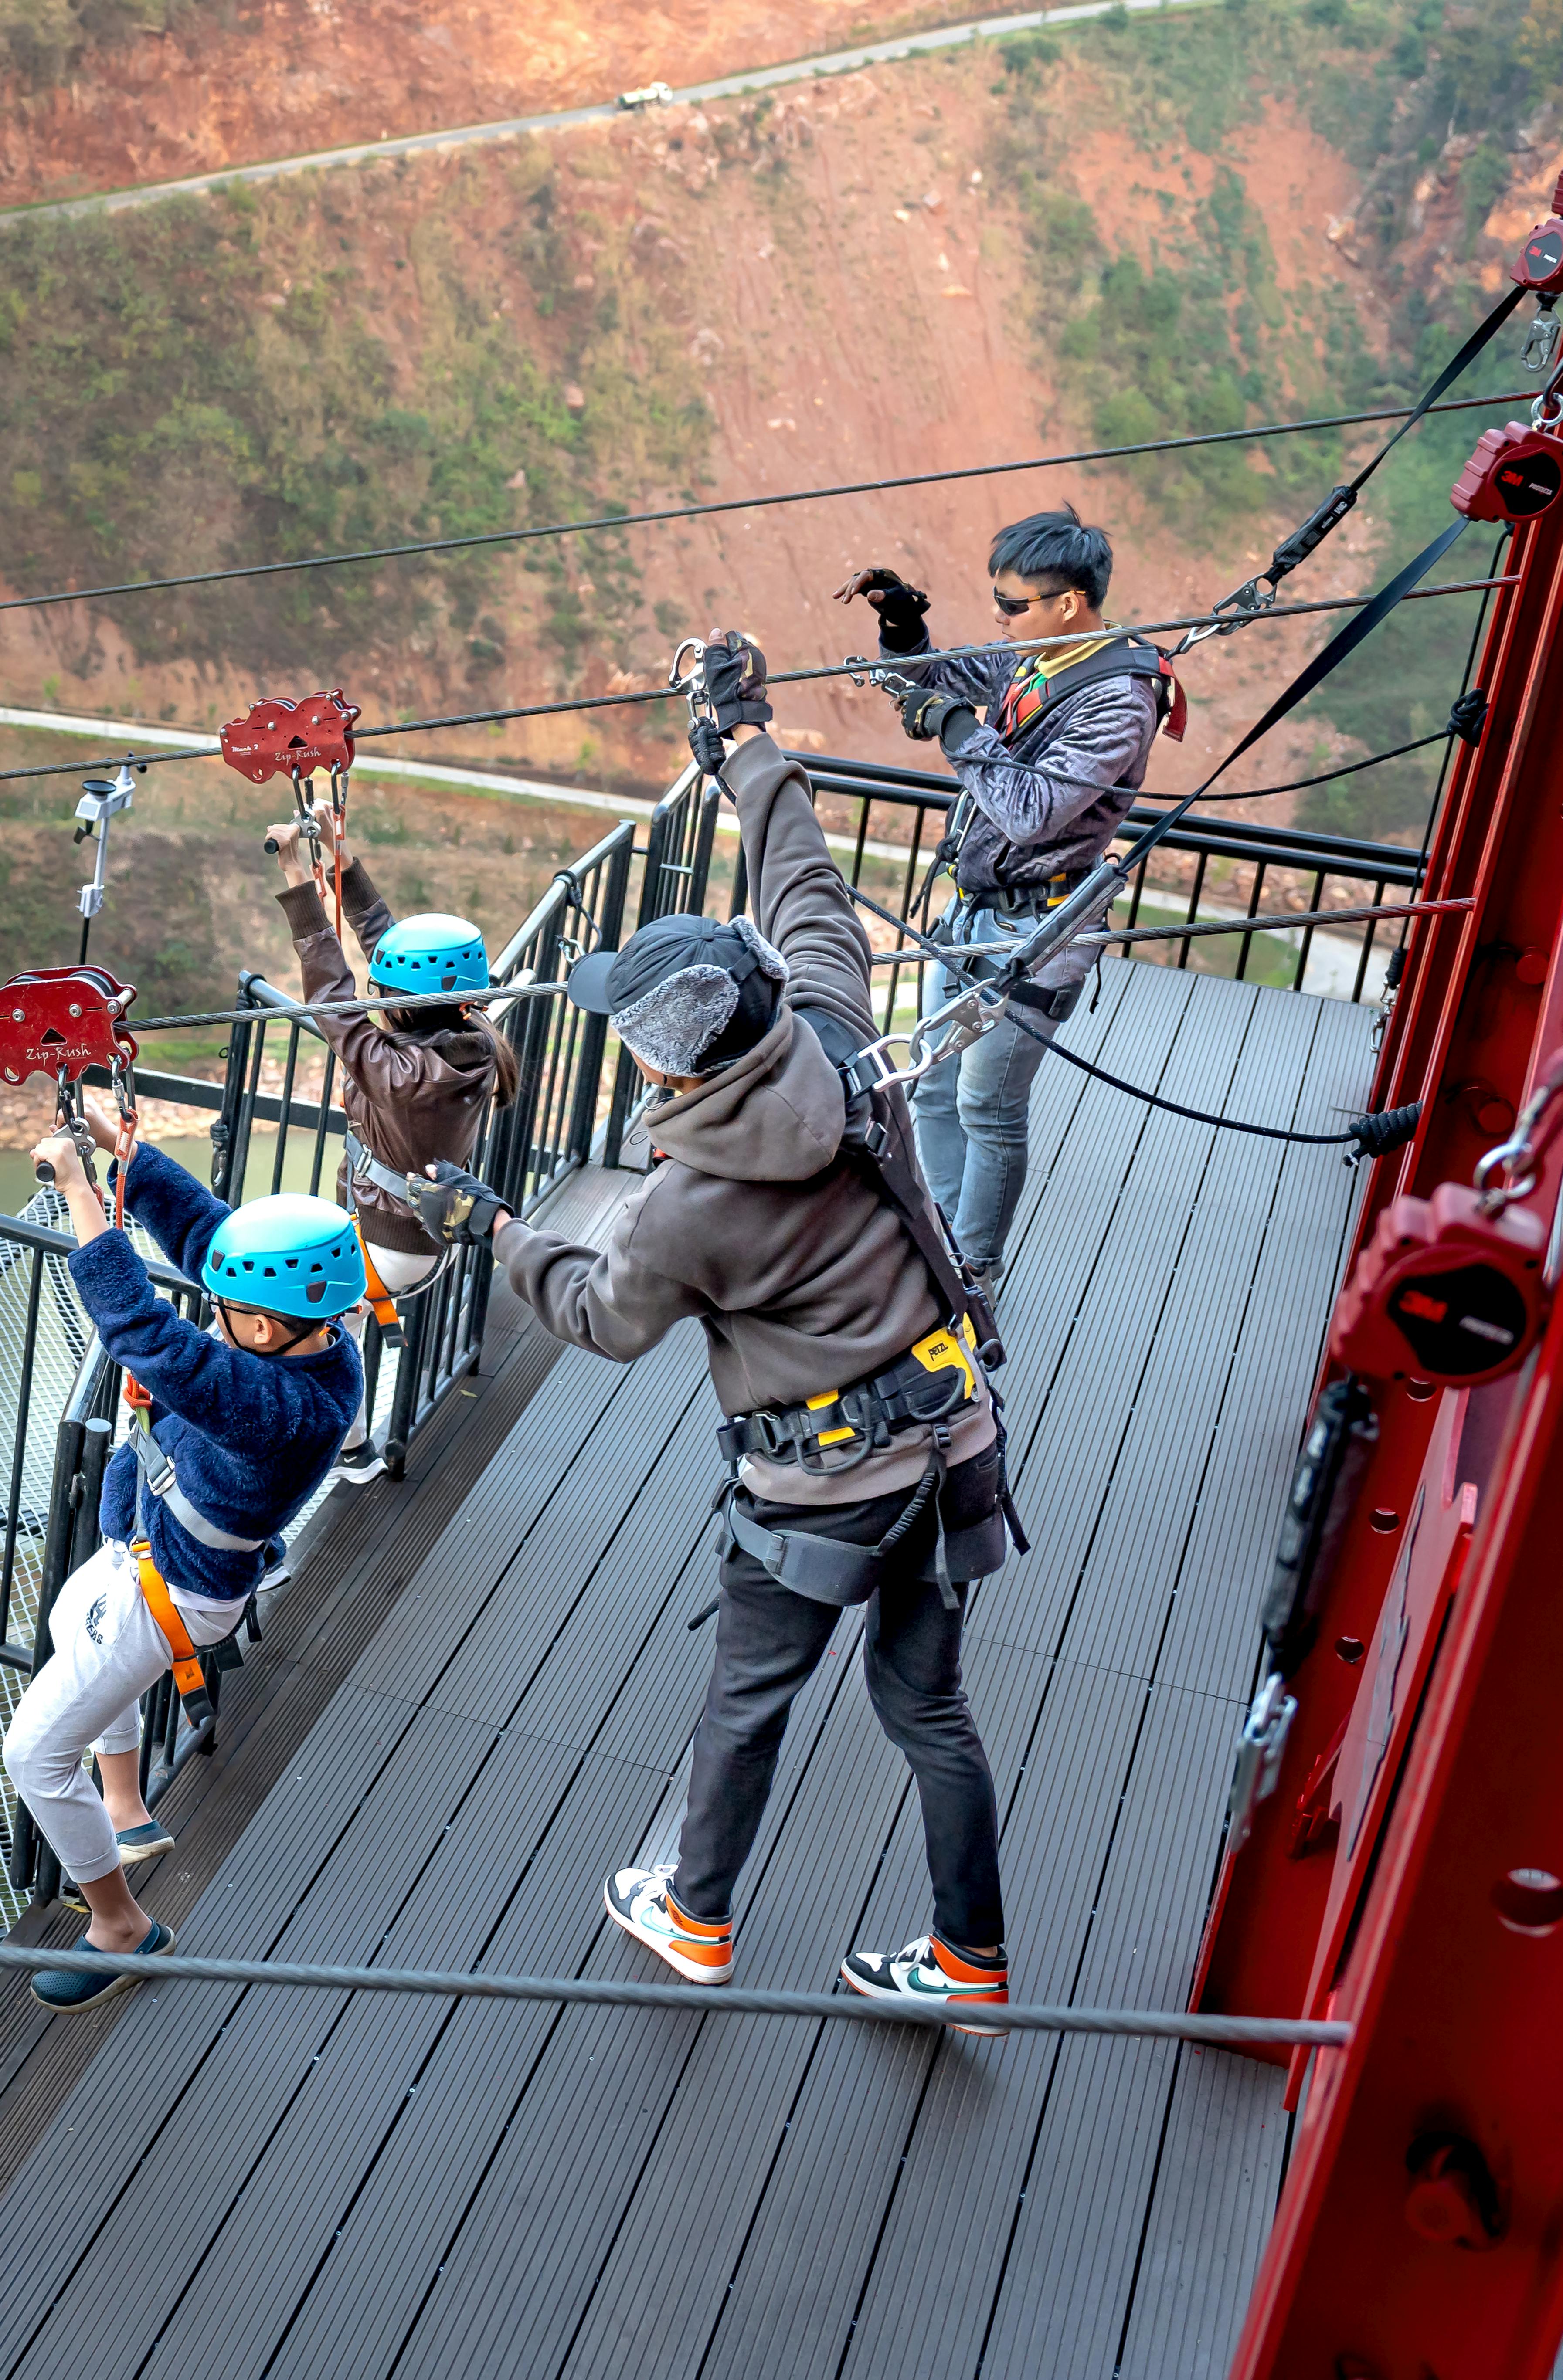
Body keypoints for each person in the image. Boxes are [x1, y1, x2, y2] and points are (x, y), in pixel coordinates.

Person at [462, 631, 1022, 2032]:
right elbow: (806, 873)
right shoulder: (833, 1025)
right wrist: (745, 736)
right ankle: (968, 1957)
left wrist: (498, 1231)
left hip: (822, 1487)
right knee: (929, 1710)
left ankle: (695, 1913)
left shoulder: (681, 1206)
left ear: (661, 1058)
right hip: (950, 1438)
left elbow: (598, 1315)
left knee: (747, 1699)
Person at [1, 1101, 361, 2011]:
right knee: (64, 1630)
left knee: (34, 1757)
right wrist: (132, 1154)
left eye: (231, 1311)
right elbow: (211, 1240)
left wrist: (83, 1193)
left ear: (270, 1327)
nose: (217, 1310)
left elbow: (145, 1335)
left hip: (171, 1585)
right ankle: (123, 1809)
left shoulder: (281, 1410)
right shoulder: (317, 1338)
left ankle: (121, 1926)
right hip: (154, 1551)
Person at [835, 506, 1179, 1297]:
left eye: (1013, 605)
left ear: (1069, 602)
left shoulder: (1119, 699)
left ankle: (972, 1270)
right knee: (932, 1086)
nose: (1000, 617)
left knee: (987, 1103)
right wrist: (904, 627)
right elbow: (936, 683)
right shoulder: (1042, 653)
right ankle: (934, 1238)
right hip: (973, 908)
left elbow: (1030, 809)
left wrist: (960, 730)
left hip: (1038, 931)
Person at [272, 813, 520, 1482]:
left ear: (403, 1009)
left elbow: (333, 997)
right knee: (329, 1326)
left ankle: (323, 1452)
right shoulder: (473, 1032)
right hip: (417, 1231)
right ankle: (352, 1448)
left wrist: (299, 878)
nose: (376, 1000)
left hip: (388, 1243)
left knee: (297, 1323)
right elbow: (387, 942)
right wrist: (342, 862)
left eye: (385, 995)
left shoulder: (402, 1074)